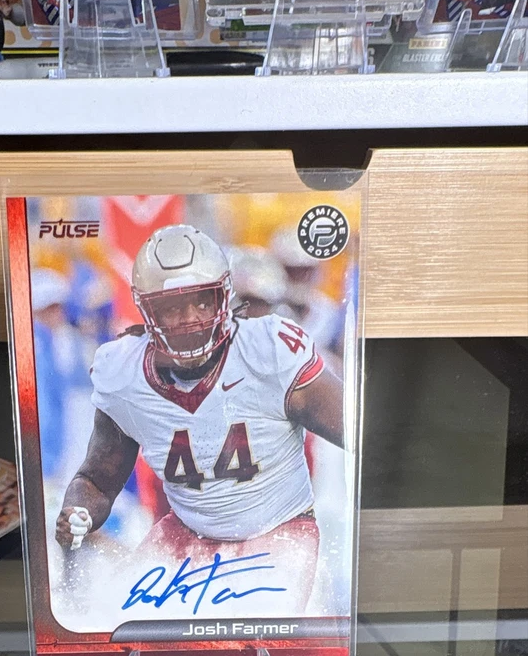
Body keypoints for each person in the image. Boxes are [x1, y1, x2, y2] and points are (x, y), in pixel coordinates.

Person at [55, 225, 345, 610]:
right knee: (116, 619)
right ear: (148, 311)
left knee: (251, 626)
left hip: (277, 530)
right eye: (172, 307)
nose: (190, 319)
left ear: (223, 297)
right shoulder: (123, 372)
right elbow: (97, 479)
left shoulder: (269, 348)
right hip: (187, 532)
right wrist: (79, 511)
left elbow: (360, 429)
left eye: (202, 303)